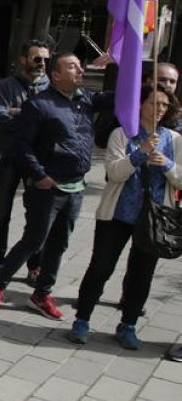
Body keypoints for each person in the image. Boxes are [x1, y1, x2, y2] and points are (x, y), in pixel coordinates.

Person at [0, 53, 114, 320]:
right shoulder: (39, 105)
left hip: (76, 188)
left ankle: (42, 293)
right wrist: (39, 174)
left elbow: (123, 96)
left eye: (80, 65)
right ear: (56, 75)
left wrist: (125, 62)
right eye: (72, 67)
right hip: (47, 187)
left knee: (59, 244)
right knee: (34, 241)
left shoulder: (85, 100)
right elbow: (22, 145)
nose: (80, 70)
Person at [66, 85, 182, 349]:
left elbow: (181, 179)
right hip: (118, 214)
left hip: (154, 219)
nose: (159, 109)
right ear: (141, 104)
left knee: (142, 274)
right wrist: (139, 153)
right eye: (154, 103)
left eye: (165, 105)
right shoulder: (122, 135)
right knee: (101, 267)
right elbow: (114, 173)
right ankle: (82, 320)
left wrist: (167, 165)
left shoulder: (175, 140)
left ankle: (128, 324)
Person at [0, 39, 50, 279]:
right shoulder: (8, 85)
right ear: (23, 60)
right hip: (8, 156)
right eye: (37, 58)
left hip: (37, 160)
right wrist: (34, 115)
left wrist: (19, 111)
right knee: (1, 212)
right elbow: (0, 118)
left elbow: (51, 122)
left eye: (46, 59)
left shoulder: (51, 87)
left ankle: (35, 266)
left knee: (37, 213)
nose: (42, 63)